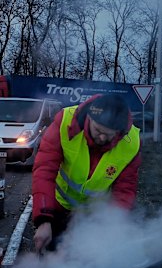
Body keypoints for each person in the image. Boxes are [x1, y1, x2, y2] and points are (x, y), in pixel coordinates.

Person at [31, 93, 142, 253]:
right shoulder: (65, 122)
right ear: (89, 118)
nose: (103, 137)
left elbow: (125, 190)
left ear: (119, 131)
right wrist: (43, 220)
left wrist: (111, 226)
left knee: (89, 259)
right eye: (98, 130)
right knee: (53, 256)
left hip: (95, 214)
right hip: (58, 207)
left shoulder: (131, 144)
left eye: (109, 134)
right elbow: (44, 170)